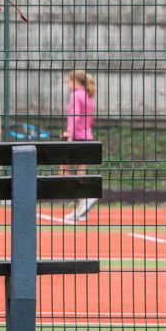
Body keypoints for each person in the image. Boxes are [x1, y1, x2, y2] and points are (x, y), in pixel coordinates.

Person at [64, 69, 98, 221]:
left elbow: (74, 117)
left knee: (64, 171)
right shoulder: (88, 96)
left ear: (75, 81)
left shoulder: (76, 95)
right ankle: (82, 207)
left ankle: (82, 202)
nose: (68, 85)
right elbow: (90, 121)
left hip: (77, 138)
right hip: (88, 138)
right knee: (80, 172)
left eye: (69, 82)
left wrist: (69, 135)